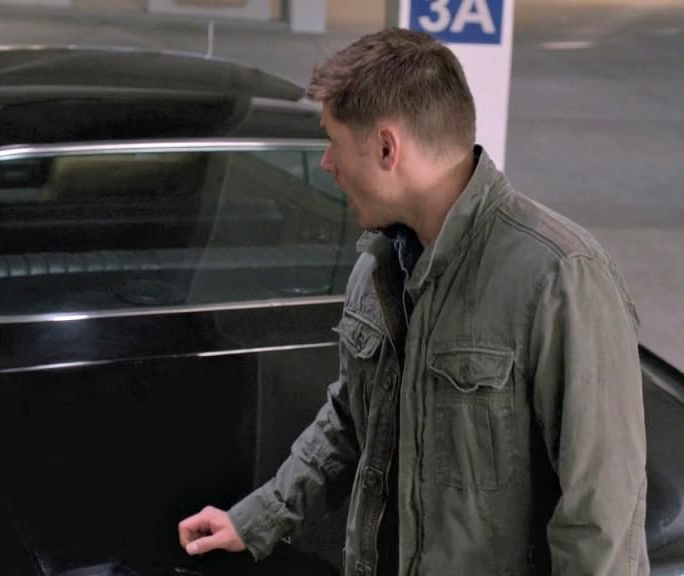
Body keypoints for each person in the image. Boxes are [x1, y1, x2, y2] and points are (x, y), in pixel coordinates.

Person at [178, 27, 649, 576]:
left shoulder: (560, 277)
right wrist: (259, 517)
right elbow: (351, 419)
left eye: (333, 141)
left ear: (387, 148)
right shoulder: (379, 264)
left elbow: (600, 520)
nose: (326, 163)